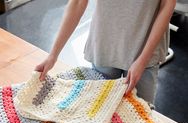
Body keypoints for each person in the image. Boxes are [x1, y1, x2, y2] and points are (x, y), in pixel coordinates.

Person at [34, 0, 176, 104]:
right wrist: (53, 55)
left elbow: (167, 5)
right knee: (99, 112)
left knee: (141, 120)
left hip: (144, 51)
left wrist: (143, 60)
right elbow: (77, 2)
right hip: (105, 46)